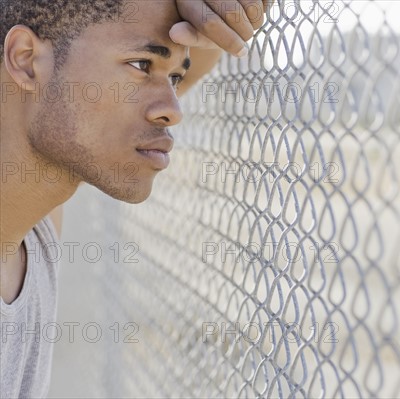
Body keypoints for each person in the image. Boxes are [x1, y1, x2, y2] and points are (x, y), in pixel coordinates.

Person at [0, 0, 268, 396]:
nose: (173, 111)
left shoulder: (32, 228)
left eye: (175, 78)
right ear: (25, 60)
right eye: (142, 65)